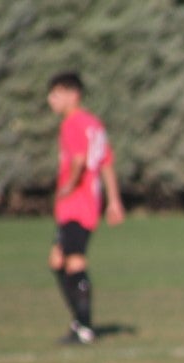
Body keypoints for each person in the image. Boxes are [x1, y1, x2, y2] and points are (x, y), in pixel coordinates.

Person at [46, 71, 124, 345]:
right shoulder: (94, 124)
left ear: (73, 94)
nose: (51, 100)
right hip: (89, 202)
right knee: (58, 260)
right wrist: (114, 201)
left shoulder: (73, 123)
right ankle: (80, 321)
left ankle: (84, 326)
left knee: (74, 260)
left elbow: (79, 160)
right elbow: (107, 163)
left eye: (56, 94)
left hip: (76, 204)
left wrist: (68, 185)